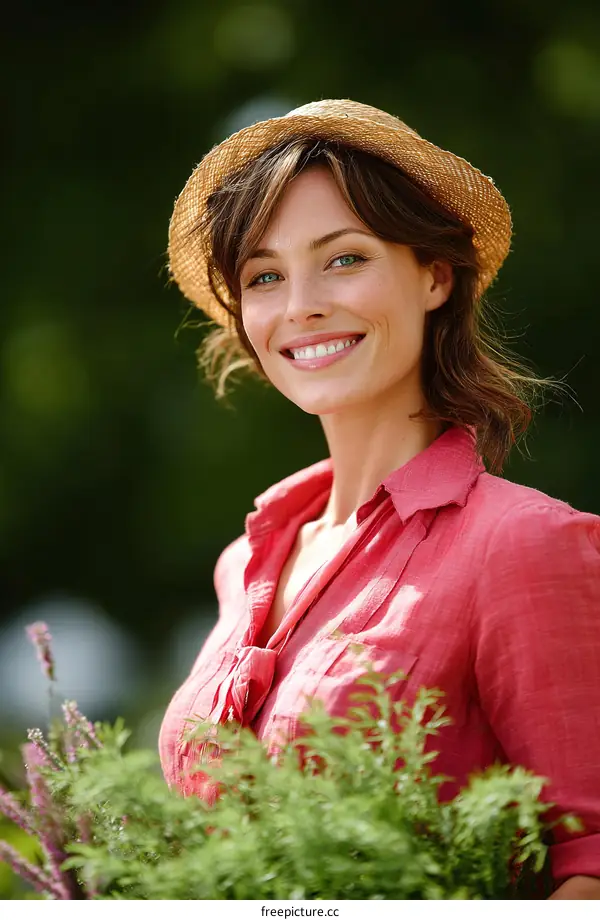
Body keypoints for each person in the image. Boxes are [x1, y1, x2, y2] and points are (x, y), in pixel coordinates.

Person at [159, 100, 600, 898]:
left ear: (434, 275)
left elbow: (589, 862)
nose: (300, 305)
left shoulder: (524, 542)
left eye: (343, 258)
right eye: (264, 276)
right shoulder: (246, 562)